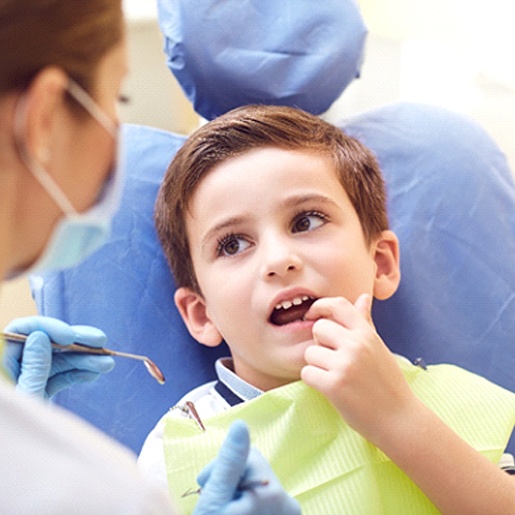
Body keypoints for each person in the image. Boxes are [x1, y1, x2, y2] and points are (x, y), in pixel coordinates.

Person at [139, 104, 515, 513]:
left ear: (381, 263)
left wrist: (401, 420)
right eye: (233, 244)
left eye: (306, 221)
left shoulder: (450, 404)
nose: (279, 259)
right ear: (201, 314)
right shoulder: (177, 448)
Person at [0, 2, 299, 513]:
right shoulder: (124, 482)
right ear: (45, 118)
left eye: (307, 222)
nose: (280, 259)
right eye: (117, 94)